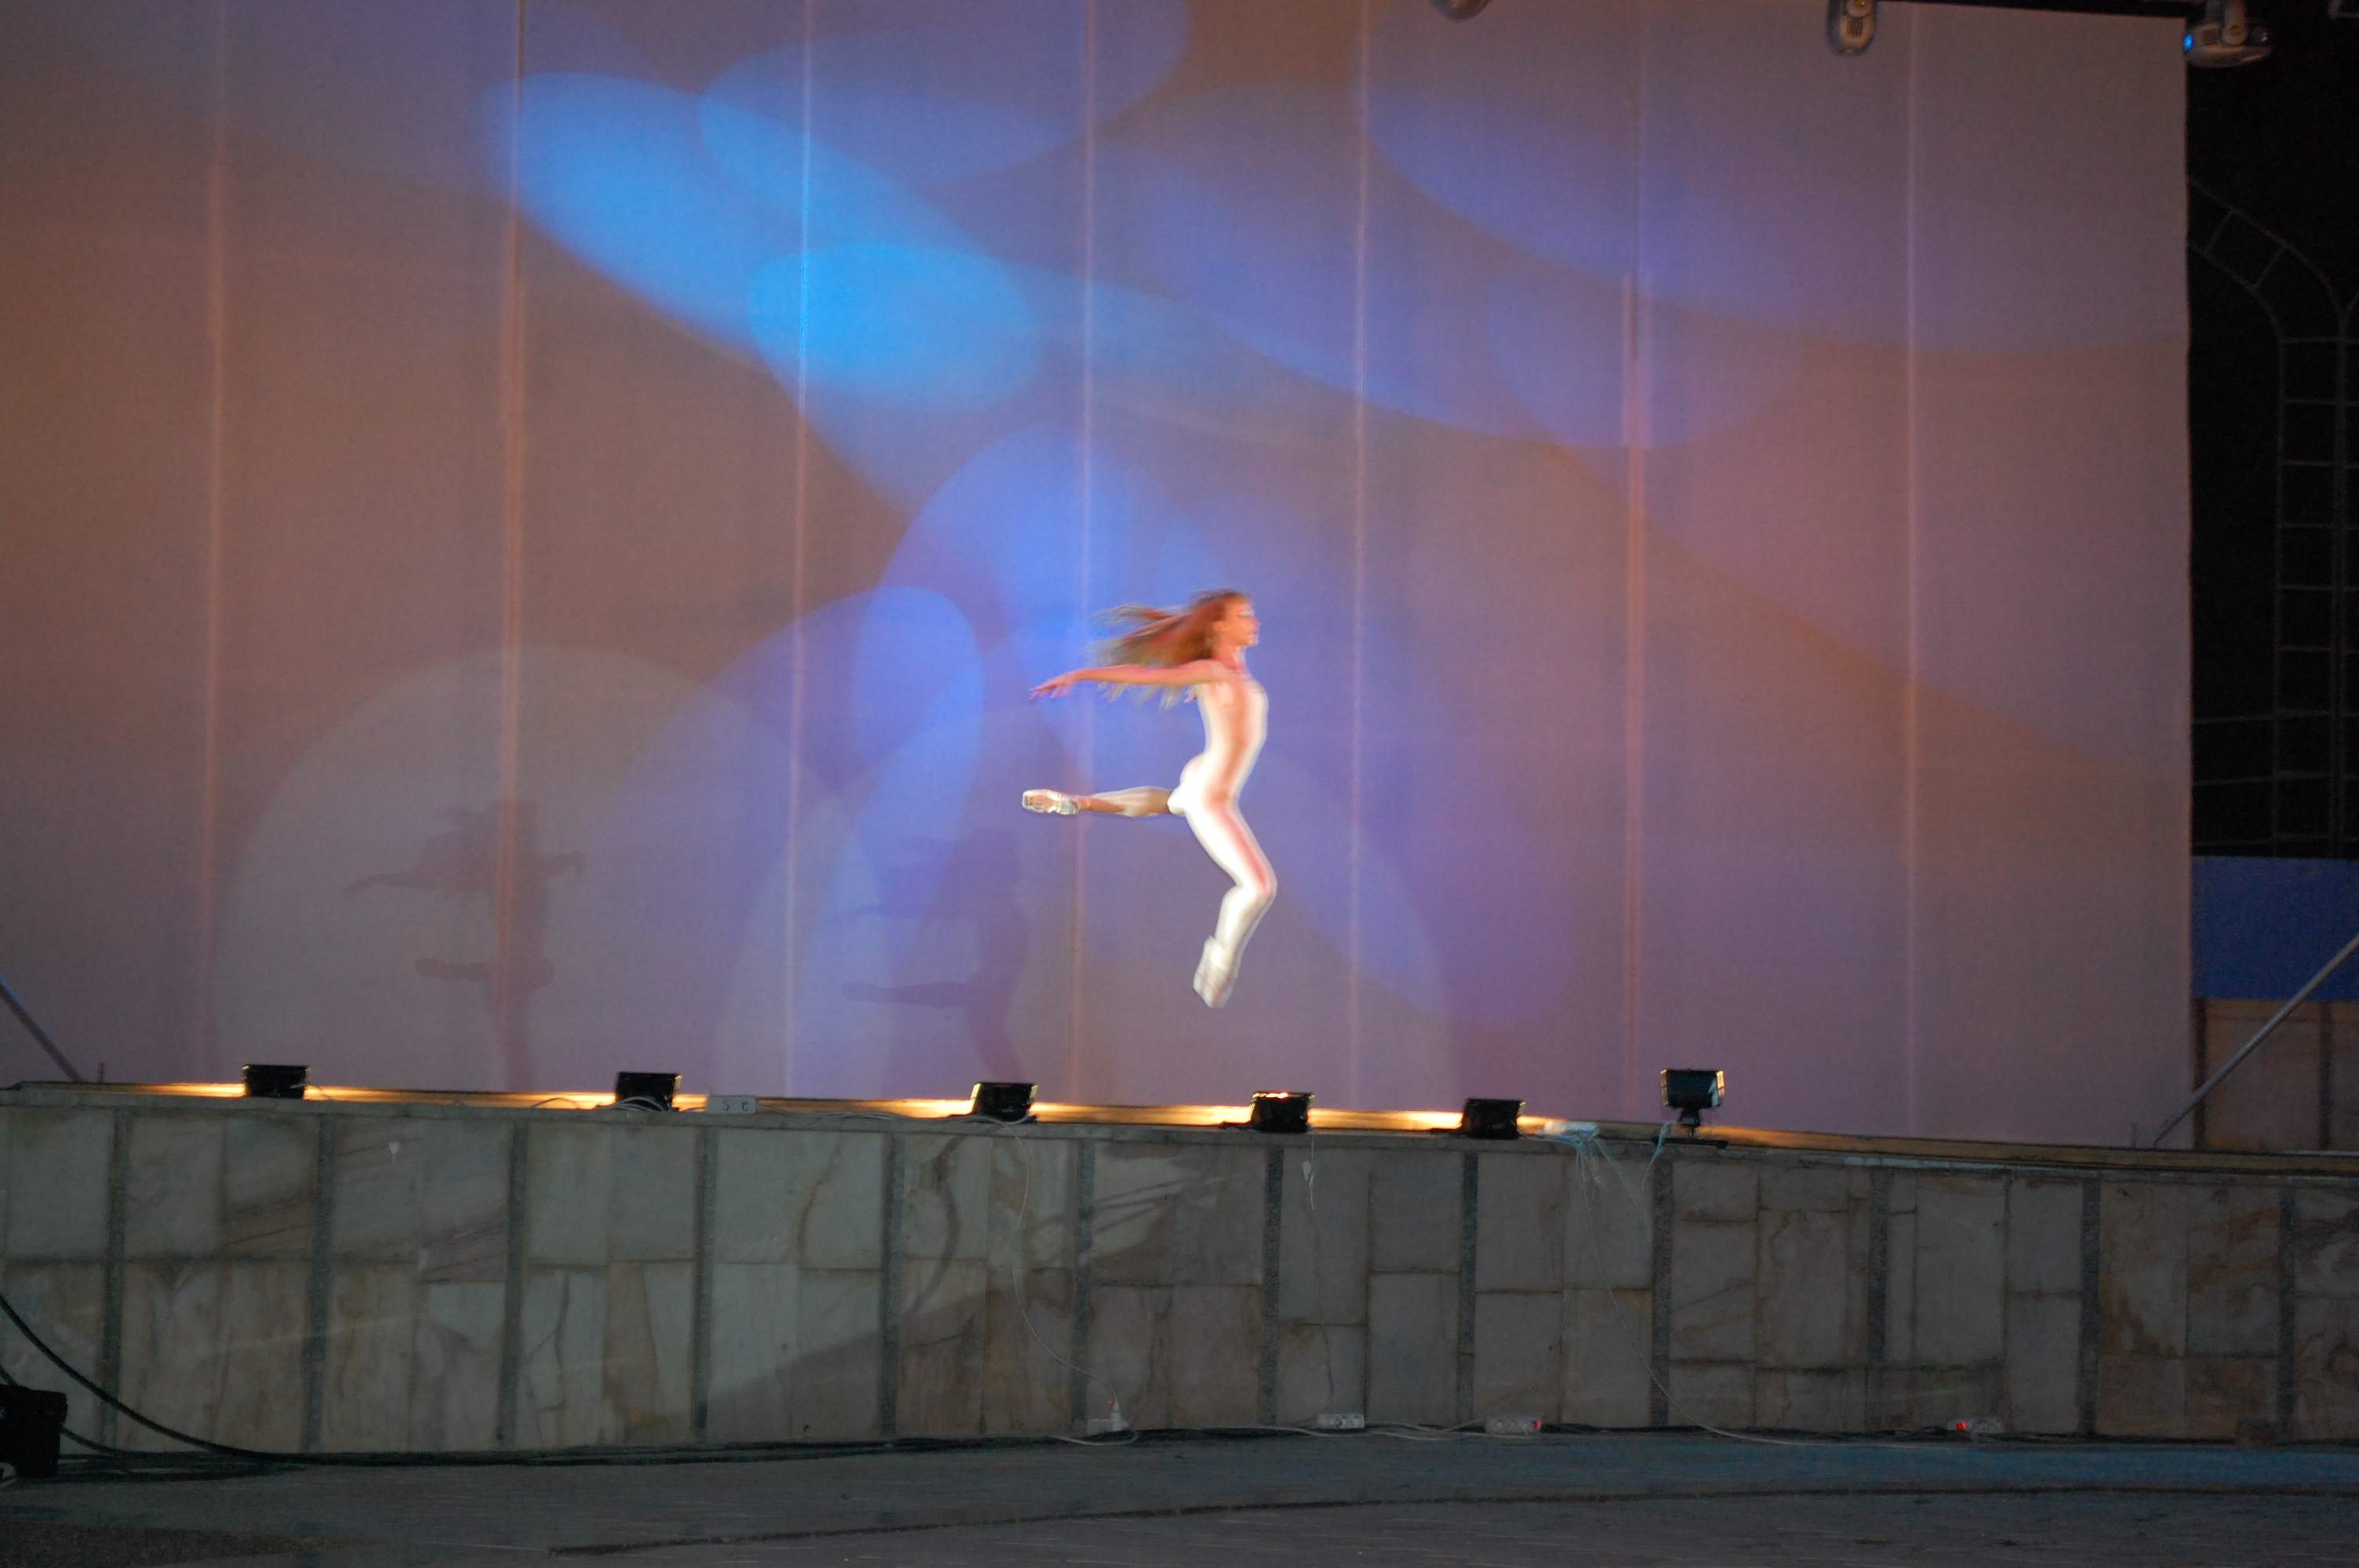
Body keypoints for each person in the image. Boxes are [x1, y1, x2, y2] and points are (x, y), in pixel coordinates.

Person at [1025, 590, 1273, 1007]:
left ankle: (1075, 803)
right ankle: (1219, 960)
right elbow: (1141, 675)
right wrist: (1079, 676)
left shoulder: (1230, 674)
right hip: (1211, 796)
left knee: (1172, 802)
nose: (1254, 622)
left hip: (1206, 782)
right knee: (1258, 887)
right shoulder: (1213, 672)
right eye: (1244, 615)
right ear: (1219, 625)